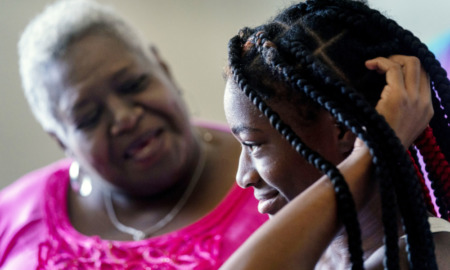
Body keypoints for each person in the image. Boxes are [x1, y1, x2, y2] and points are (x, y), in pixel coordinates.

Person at [0, 0, 268, 269]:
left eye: (133, 85)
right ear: (62, 141)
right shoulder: (11, 217)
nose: (124, 119)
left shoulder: (273, 174)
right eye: (89, 117)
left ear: (163, 70)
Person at [221, 0, 450, 269]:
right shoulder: (316, 255)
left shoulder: (421, 258)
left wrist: (371, 151)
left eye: (253, 144)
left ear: (343, 130)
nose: (242, 177)